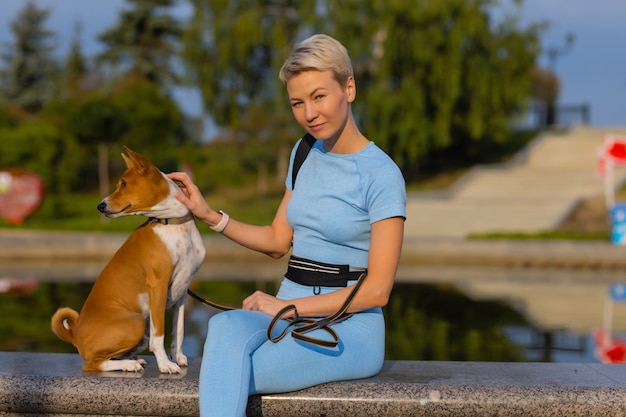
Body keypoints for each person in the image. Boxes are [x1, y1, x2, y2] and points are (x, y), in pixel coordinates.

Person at [167, 33, 406, 417]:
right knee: (225, 327)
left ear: (349, 88)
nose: (309, 112)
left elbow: (377, 291)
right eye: (297, 102)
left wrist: (288, 306)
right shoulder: (304, 151)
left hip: (348, 326)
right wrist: (212, 216)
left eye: (318, 96)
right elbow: (279, 240)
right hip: (283, 308)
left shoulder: (382, 174)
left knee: (227, 372)